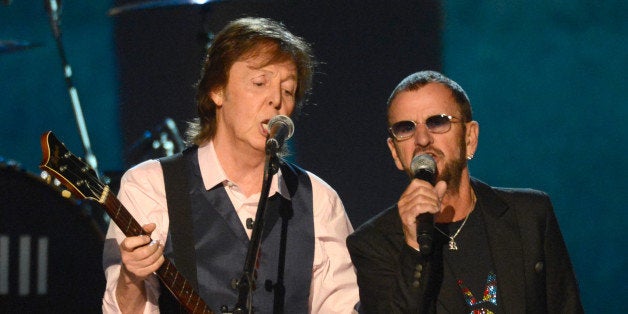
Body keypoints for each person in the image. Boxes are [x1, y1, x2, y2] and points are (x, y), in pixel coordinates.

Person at [102, 17, 359, 313]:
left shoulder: (319, 201)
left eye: (288, 91)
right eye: (259, 82)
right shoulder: (151, 185)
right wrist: (131, 278)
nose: (275, 99)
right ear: (217, 90)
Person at [346, 70, 583, 313]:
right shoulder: (372, 244)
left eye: (437, 122)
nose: (422, 139)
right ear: (395, 152)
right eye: (405, 128)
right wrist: (413, 247)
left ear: (470, 137)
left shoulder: (529, 215)